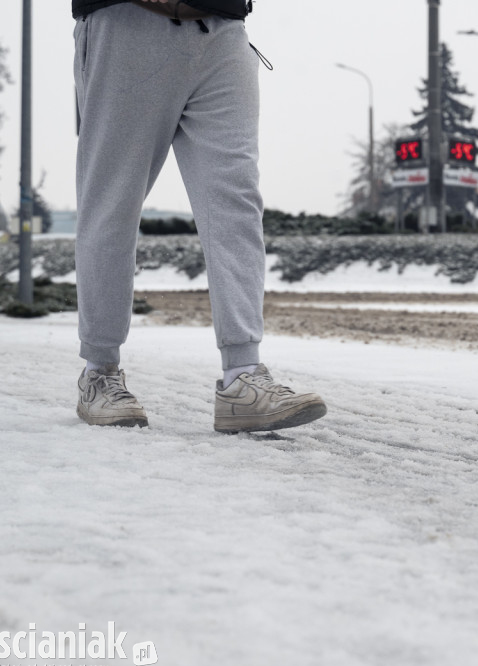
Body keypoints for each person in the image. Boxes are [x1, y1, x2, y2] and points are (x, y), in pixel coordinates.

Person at [71, 0, 326, 432]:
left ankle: (242, 378)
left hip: (223, 29)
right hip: (128, 21)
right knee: (112, 203)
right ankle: (99, 373)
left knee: (237, 202)